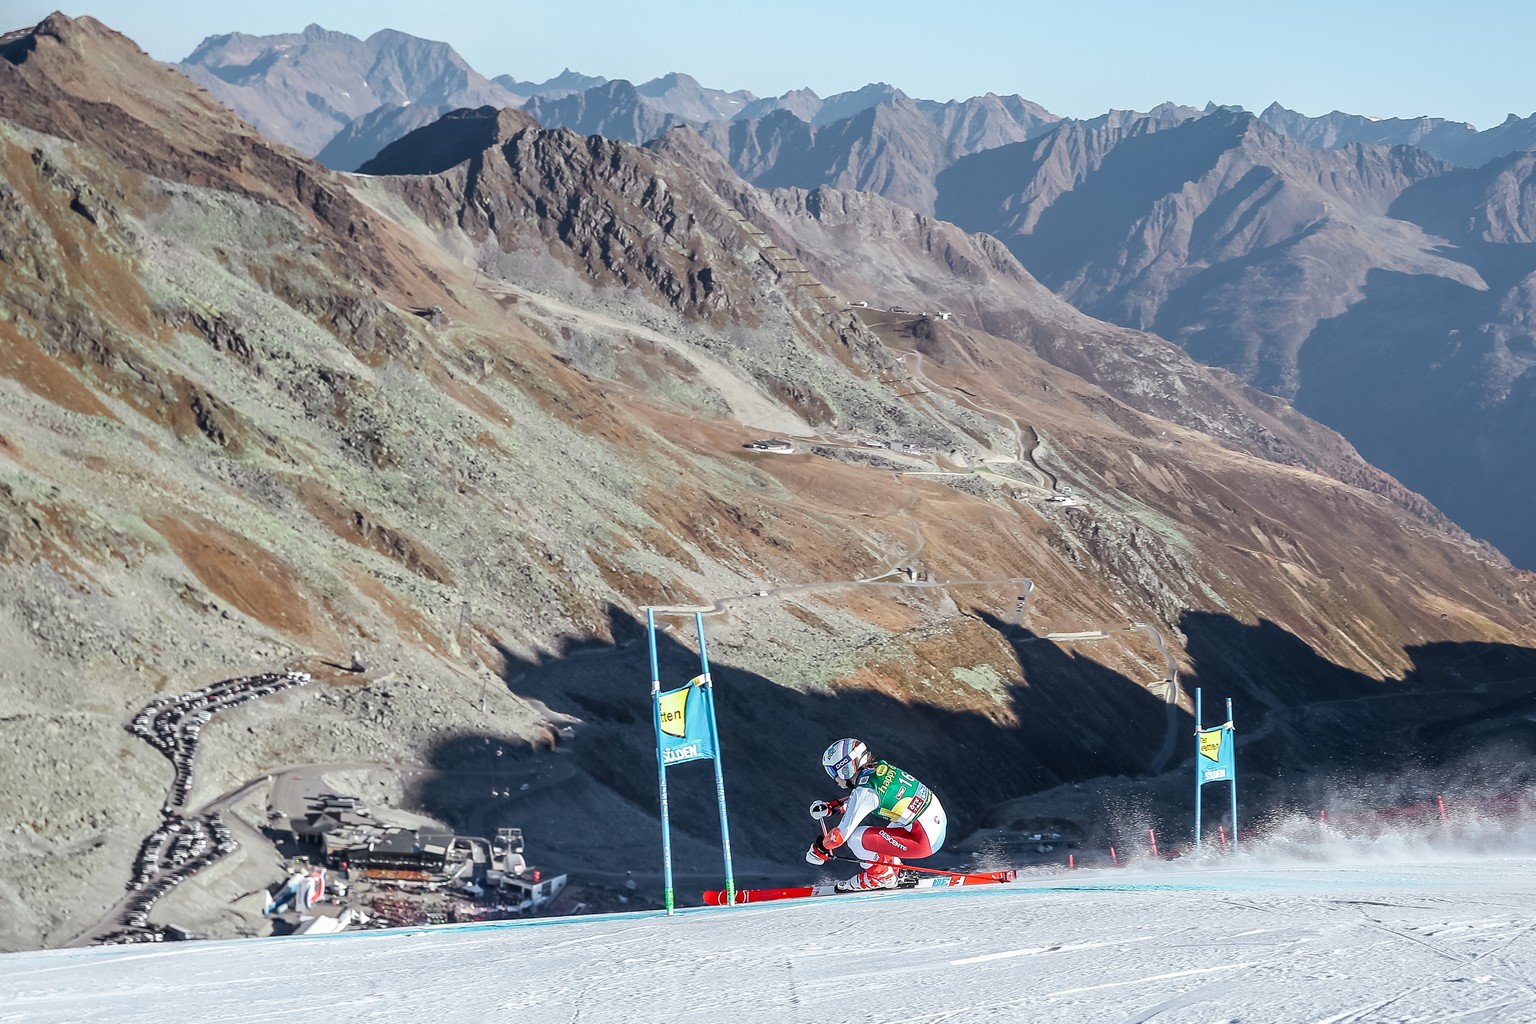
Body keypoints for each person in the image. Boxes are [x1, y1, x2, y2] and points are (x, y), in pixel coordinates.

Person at [805, 737, 947, 891]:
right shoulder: (878, 769)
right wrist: (834, 808)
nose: (834, 778)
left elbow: (840, 836)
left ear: (846, 768)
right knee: (876, 838)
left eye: (833, 771)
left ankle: (882, 878)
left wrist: (819, 849)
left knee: (856, 839)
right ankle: (894, 869)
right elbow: (865, 799)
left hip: (925, 839)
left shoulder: (865, 791)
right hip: (931, 822)